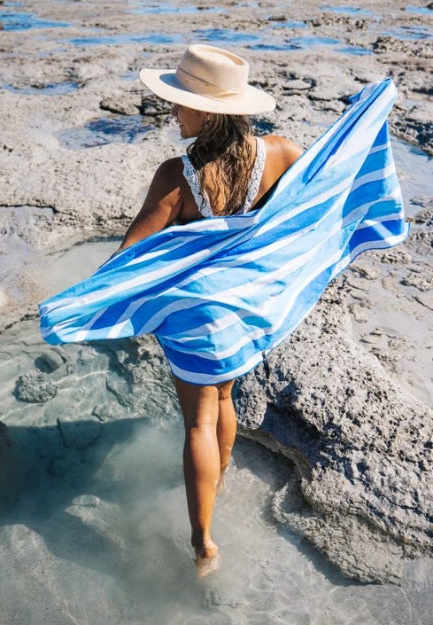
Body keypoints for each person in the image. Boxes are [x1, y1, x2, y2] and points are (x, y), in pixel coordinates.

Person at [116, 44, 302, 577]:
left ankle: (203, 545)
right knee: (223, 395)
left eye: (180, 102)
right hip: (245, 311)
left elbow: (128, 255)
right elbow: (307, 210)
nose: (173, 111)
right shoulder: (283, 153)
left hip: (195, 318)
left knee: (198, 420)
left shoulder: (176, 176)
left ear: (209, 111)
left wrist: (88, 301)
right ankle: (217, 480)